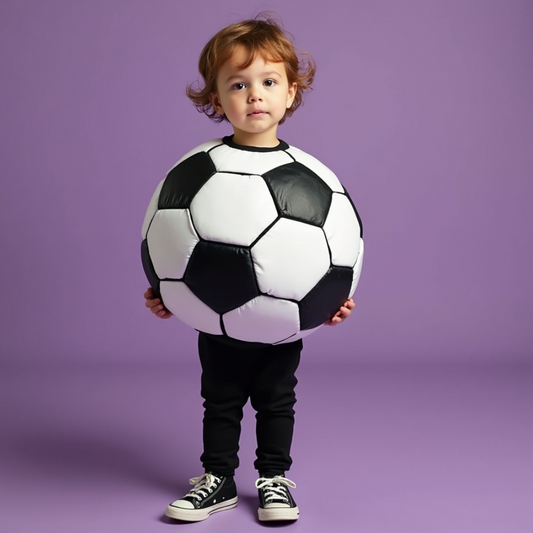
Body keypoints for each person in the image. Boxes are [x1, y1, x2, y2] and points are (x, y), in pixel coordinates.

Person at [143, 15, 356, 523]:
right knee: (219, 403)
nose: (254, 95)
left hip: (281, 330)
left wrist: (329, 301)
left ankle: (274, 480)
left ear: (290, 93)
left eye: (268, 82)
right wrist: (165, 292)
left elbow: (330, 257)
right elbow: (170, 246)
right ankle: (217, 479)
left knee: (276, 403)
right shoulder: (194, 172)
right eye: (238, 85)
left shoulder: (313, 180)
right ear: (217, 100)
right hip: (217, 326)